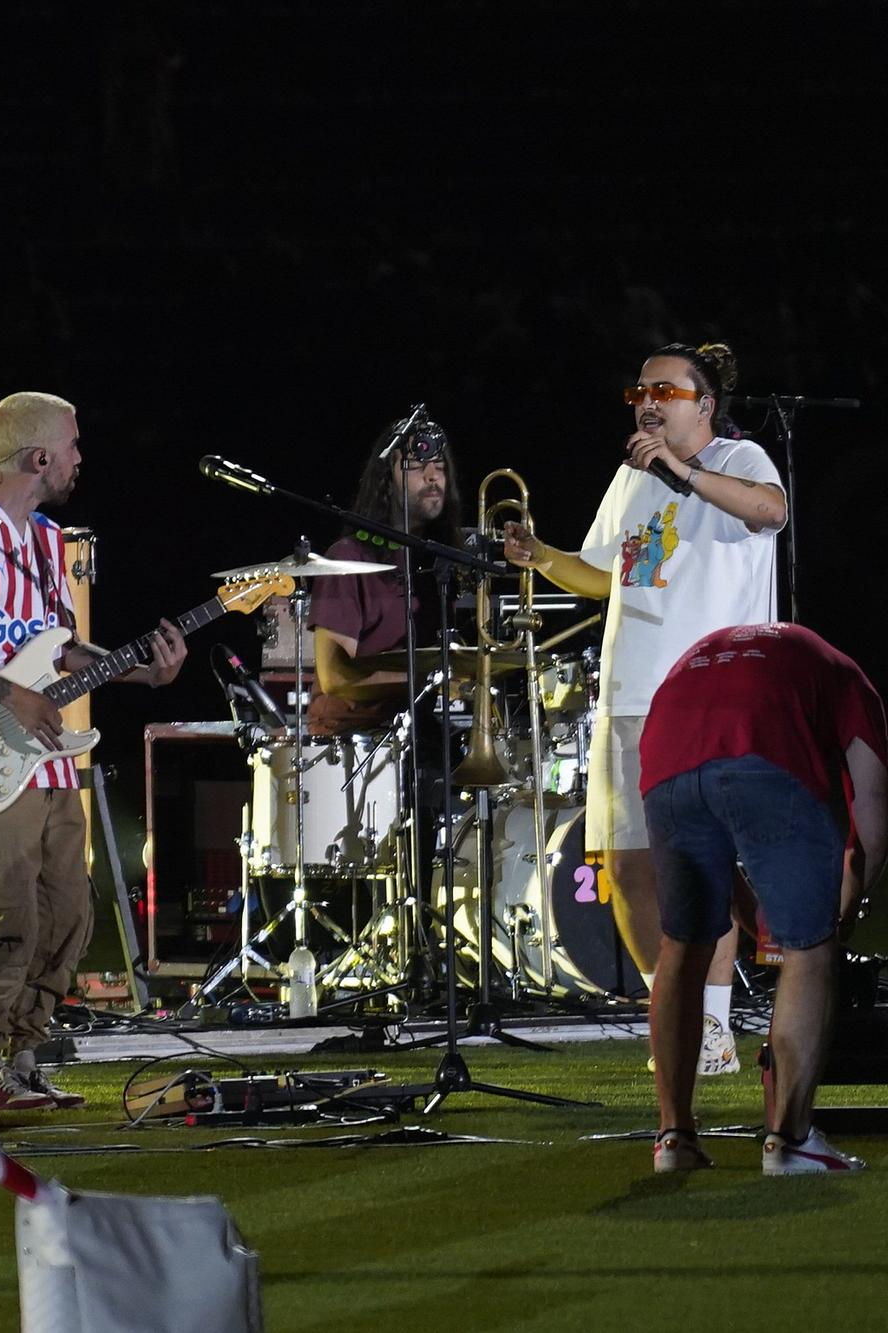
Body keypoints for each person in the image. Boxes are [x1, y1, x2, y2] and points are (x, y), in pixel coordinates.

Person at [505, 342, 786, 1074]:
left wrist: (681, 470)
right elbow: (601, 575)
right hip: (629, 694)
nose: (650, 402)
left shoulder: (741, 458)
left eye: (666, 390)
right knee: (625, 867)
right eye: (641, 392)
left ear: (705, 404)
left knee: (704, 866)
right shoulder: (630, 482)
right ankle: (675, 1017)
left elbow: (770, 510)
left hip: (708, 694)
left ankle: (715, 1029)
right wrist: (539, 554)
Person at [0, 391, 186, 1111]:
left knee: (66, 913)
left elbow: (63, 650)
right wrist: (11, 698)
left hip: (51, 753)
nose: (77, 458)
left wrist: (142, 668)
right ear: (38, 457)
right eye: (71, 445)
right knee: (3, 912)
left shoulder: (44, 542)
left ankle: (23, 1055)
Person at [641, 623, 883, 1175]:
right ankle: (791, 1141)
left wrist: (757, 914)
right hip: (761, 750)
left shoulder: (761, 654)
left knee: (683, 941)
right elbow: (872, 818)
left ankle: (673, 1137)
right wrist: (841, 912)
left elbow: (714, 807)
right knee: (810, 950)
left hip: (666, 753)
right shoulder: (854, 682)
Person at [307, 417, 464, 737]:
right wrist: (426, 679)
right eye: (418, 466)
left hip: (416, 735)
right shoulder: (347, 558)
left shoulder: (439, 567)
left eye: (440, 466)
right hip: (350, 743)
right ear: (387, 478)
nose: (434, 476)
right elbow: (335, 676)